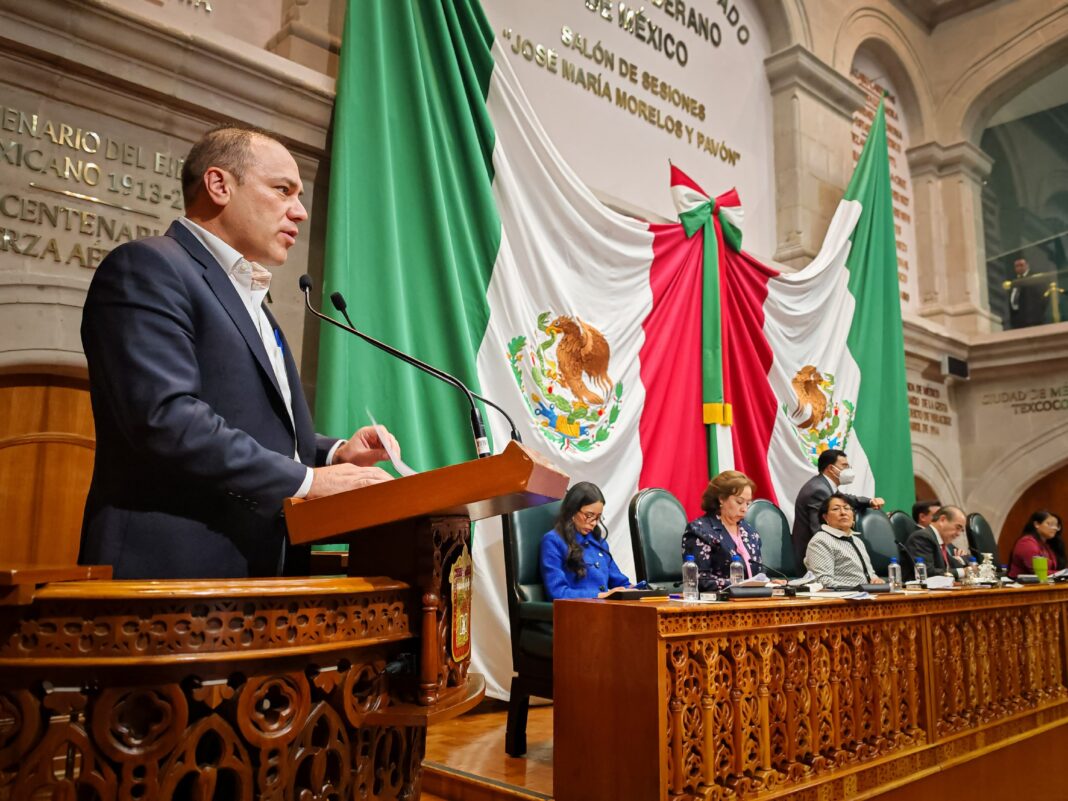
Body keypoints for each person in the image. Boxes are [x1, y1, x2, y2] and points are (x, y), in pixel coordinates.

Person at [80, 125, 397, 580]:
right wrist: (308, 482)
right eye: (283, 190)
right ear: (219, 185)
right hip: (170, 573)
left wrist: (333, 454)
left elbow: (250, 425)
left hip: (255, 575)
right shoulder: (149, 267)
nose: (301, 211)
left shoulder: (249, 297)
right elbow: (165, 419)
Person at [539, 482, 634, 599]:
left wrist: (638, 591)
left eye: (598, 517)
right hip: (577, 609)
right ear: (572, 511)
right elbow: (557, 592)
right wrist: (601, 595)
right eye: (589, 515)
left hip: (603, 607)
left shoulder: (599, 543)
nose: (594, 523)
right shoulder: (553, 541)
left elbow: (621, 583)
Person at [791, 449, 885, 567]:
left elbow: (848, 498)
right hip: (815, 560)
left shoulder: (824, 485)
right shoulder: (818, 489)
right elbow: (820, 530)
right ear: (831, 468)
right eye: (845, 466)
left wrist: (870, 501)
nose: (849, 470)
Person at [681, 470, 762, 592]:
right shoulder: (700, 530)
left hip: (753, 598)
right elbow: (700, 580)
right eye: (739, 502)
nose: (744, 509)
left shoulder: (750, 532)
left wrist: (769, 583)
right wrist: (740, 584)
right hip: (720, 601)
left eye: (748, 503)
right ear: (721, 499)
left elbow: (759, 572)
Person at [804, 493, 883, 587]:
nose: (843, 512)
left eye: (846, 508)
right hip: (843, 595)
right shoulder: (821, 541)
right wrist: (858, 589)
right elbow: (822, 581)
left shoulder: (857, 541)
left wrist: (875, 580)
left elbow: (870, 574)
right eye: (836, 509)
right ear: (825, 517)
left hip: (867, 592)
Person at [905, 506, 967, 576]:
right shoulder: (922, 537)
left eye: (961, 530)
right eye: (957, 528)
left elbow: (955, 564)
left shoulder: (939, 541)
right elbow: (927, 572)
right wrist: (963, 572)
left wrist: (969, 568)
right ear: (943, 520)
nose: (958, 534)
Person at [1008, 510, 1061, 579]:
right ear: (1037, 524)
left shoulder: (1046, 545)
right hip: (1022, 584)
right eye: (1050, 524)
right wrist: (1061, 573)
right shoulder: (1026, 543)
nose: (1055, 528)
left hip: (1043, 582)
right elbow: (1037, 572)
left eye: (1057, 525)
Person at [1007, 257, 1047, 329]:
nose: (1019, 268)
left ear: (1027, 265)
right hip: (1018, 321)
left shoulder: (1034, 278)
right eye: (1017, 266)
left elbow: (1042, 299)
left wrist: (1036, 316)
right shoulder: (1014, 282)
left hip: (1033, 321)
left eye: (1021, 265)